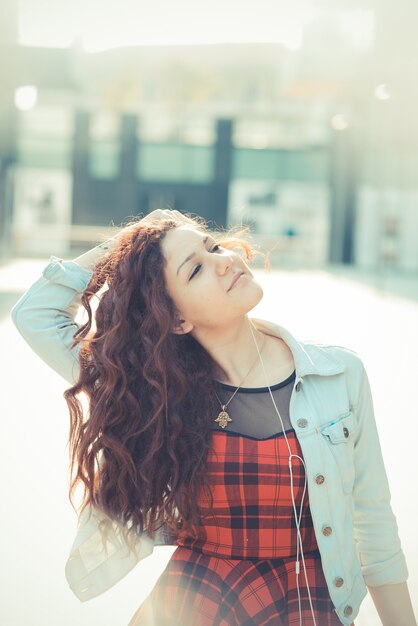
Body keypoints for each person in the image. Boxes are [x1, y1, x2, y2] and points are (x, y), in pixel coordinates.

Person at [11, 209, 416, 626]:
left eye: (214, 246)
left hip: (307, 605)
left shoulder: (337, 374)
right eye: (196, 270)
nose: (224, 262)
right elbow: (35, 314)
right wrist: (128, 243)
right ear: (178, 319)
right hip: (196, 605)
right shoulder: (156, 390)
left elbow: (372, 522)